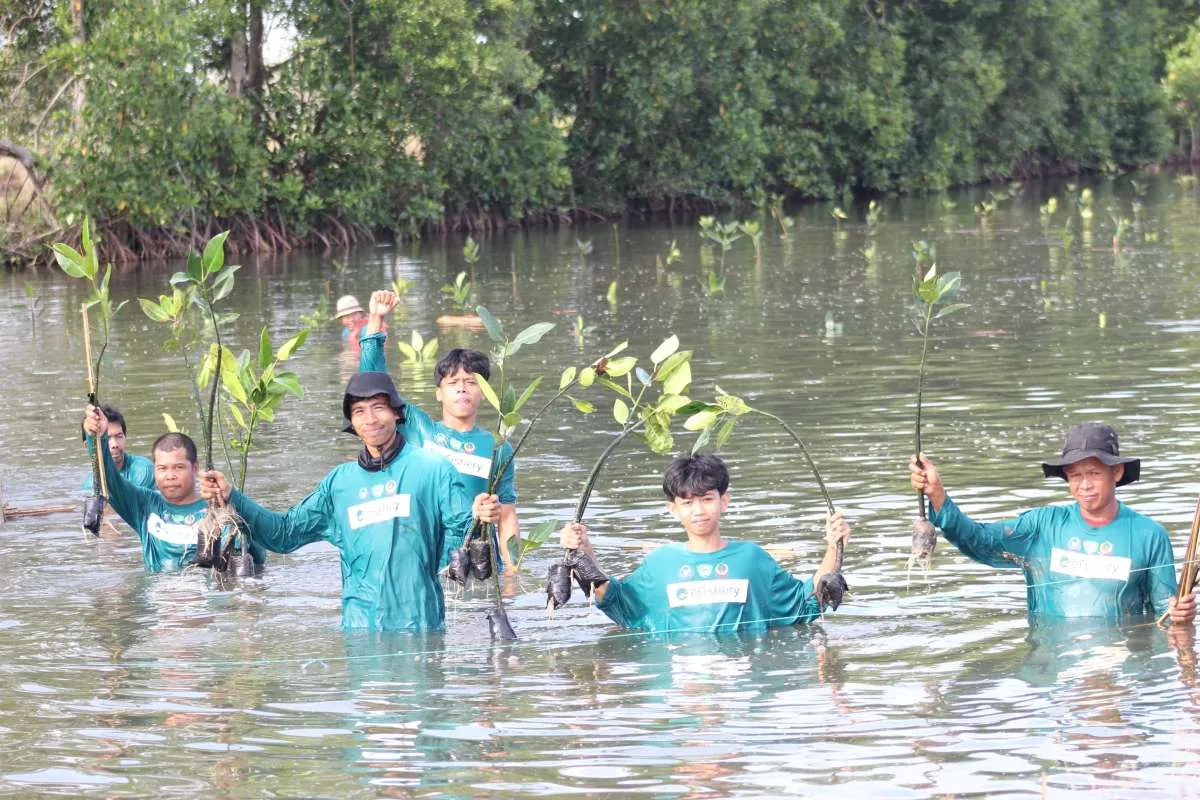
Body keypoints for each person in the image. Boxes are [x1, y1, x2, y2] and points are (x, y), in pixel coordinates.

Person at [200, 370, 501, 631]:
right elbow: (283, 534)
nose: (370, 419)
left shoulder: (433, 469)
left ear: (397, 412)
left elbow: (467, 541)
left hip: (420, 626)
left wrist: (480, 518)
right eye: (359, 411)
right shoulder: (339, 484)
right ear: (352, 423)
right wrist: (231, 496)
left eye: (379, 407)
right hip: (359, 630)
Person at [909, 421, 1197, 623]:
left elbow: (1166, 615)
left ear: (1117, 472)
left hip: (1119, 666)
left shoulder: (1149, 534)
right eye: (1075, 475)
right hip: (1053, 668)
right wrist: (938, 495)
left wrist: (1179, 616)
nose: (1085, 485)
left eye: (1095, 473)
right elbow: (978, 539)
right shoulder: (1042, 526)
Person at [556, 453, 852, 633]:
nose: (698, 511)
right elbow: (615, 600)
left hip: (738, 691)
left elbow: (809, 601)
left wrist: (833, 545)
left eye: (707, 499)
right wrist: (583, 550)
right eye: (687, 503)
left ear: (725, 501)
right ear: (673, 509)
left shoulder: (751, 559)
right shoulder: (660, 565)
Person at [358, 289, 520, 570]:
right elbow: (374, 384)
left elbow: (506, 516)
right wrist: (375, 319)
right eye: (452, 382)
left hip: (476, 558)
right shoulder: (420, 430)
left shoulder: (497, 447)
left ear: (484, 392)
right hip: (423, 552)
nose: (461, 387)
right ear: (438, 393)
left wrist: (512, 575)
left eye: (471, 382)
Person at [81, 405, 266, 572]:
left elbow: (257, 559)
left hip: (205, 607)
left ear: (195, 468)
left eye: (178, 467)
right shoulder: (144, 505)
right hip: (158, 600)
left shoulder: (218, 509)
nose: (170, 476)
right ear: (153, 471)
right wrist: (96, 438)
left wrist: (238, 524)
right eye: (162, 468)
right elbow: (110, 480)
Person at [81, 404, 155, 493]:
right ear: (88, 446)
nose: (114, 444)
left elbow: (132, 502)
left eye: (119, 436)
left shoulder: (143, 470)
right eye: (106, 438)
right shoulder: (89, 484)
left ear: (125, 436)